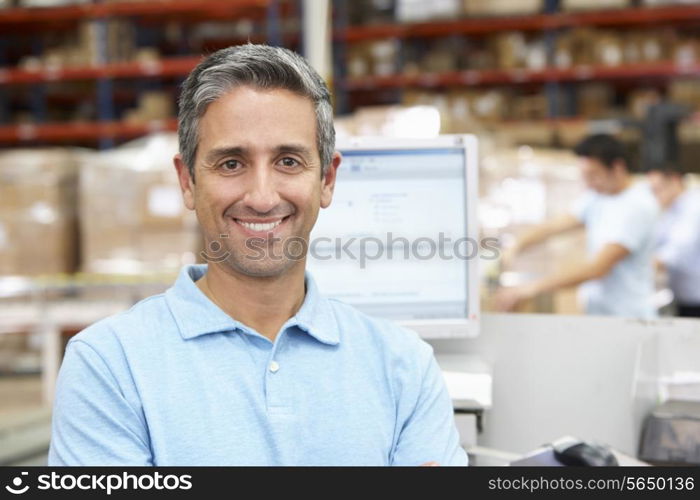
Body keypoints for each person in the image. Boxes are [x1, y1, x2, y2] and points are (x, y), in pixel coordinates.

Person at [48, 44, 466, 466]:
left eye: (288, 161)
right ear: (188, 181)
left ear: (327, 179)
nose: (262, 198)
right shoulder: (110, 366)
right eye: (231, 163)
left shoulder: (404, 367)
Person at [495, 134, 659, 319]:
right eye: (585, 176)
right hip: (601, 314)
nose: (588, 183)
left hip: (629, 318)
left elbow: (598, 268)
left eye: (593, 175)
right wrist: (516, 245)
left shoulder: (637, 206)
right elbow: (556, 225)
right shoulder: (598, 197)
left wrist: (529, 288)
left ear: (617, 167)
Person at [648, 166, 700, 318]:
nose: (656, 195)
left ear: (674, 180)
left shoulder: (694, 206)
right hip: (684, 296)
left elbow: (679, 249)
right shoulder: (671, 210)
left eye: (658, 189)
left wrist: (645, 264)